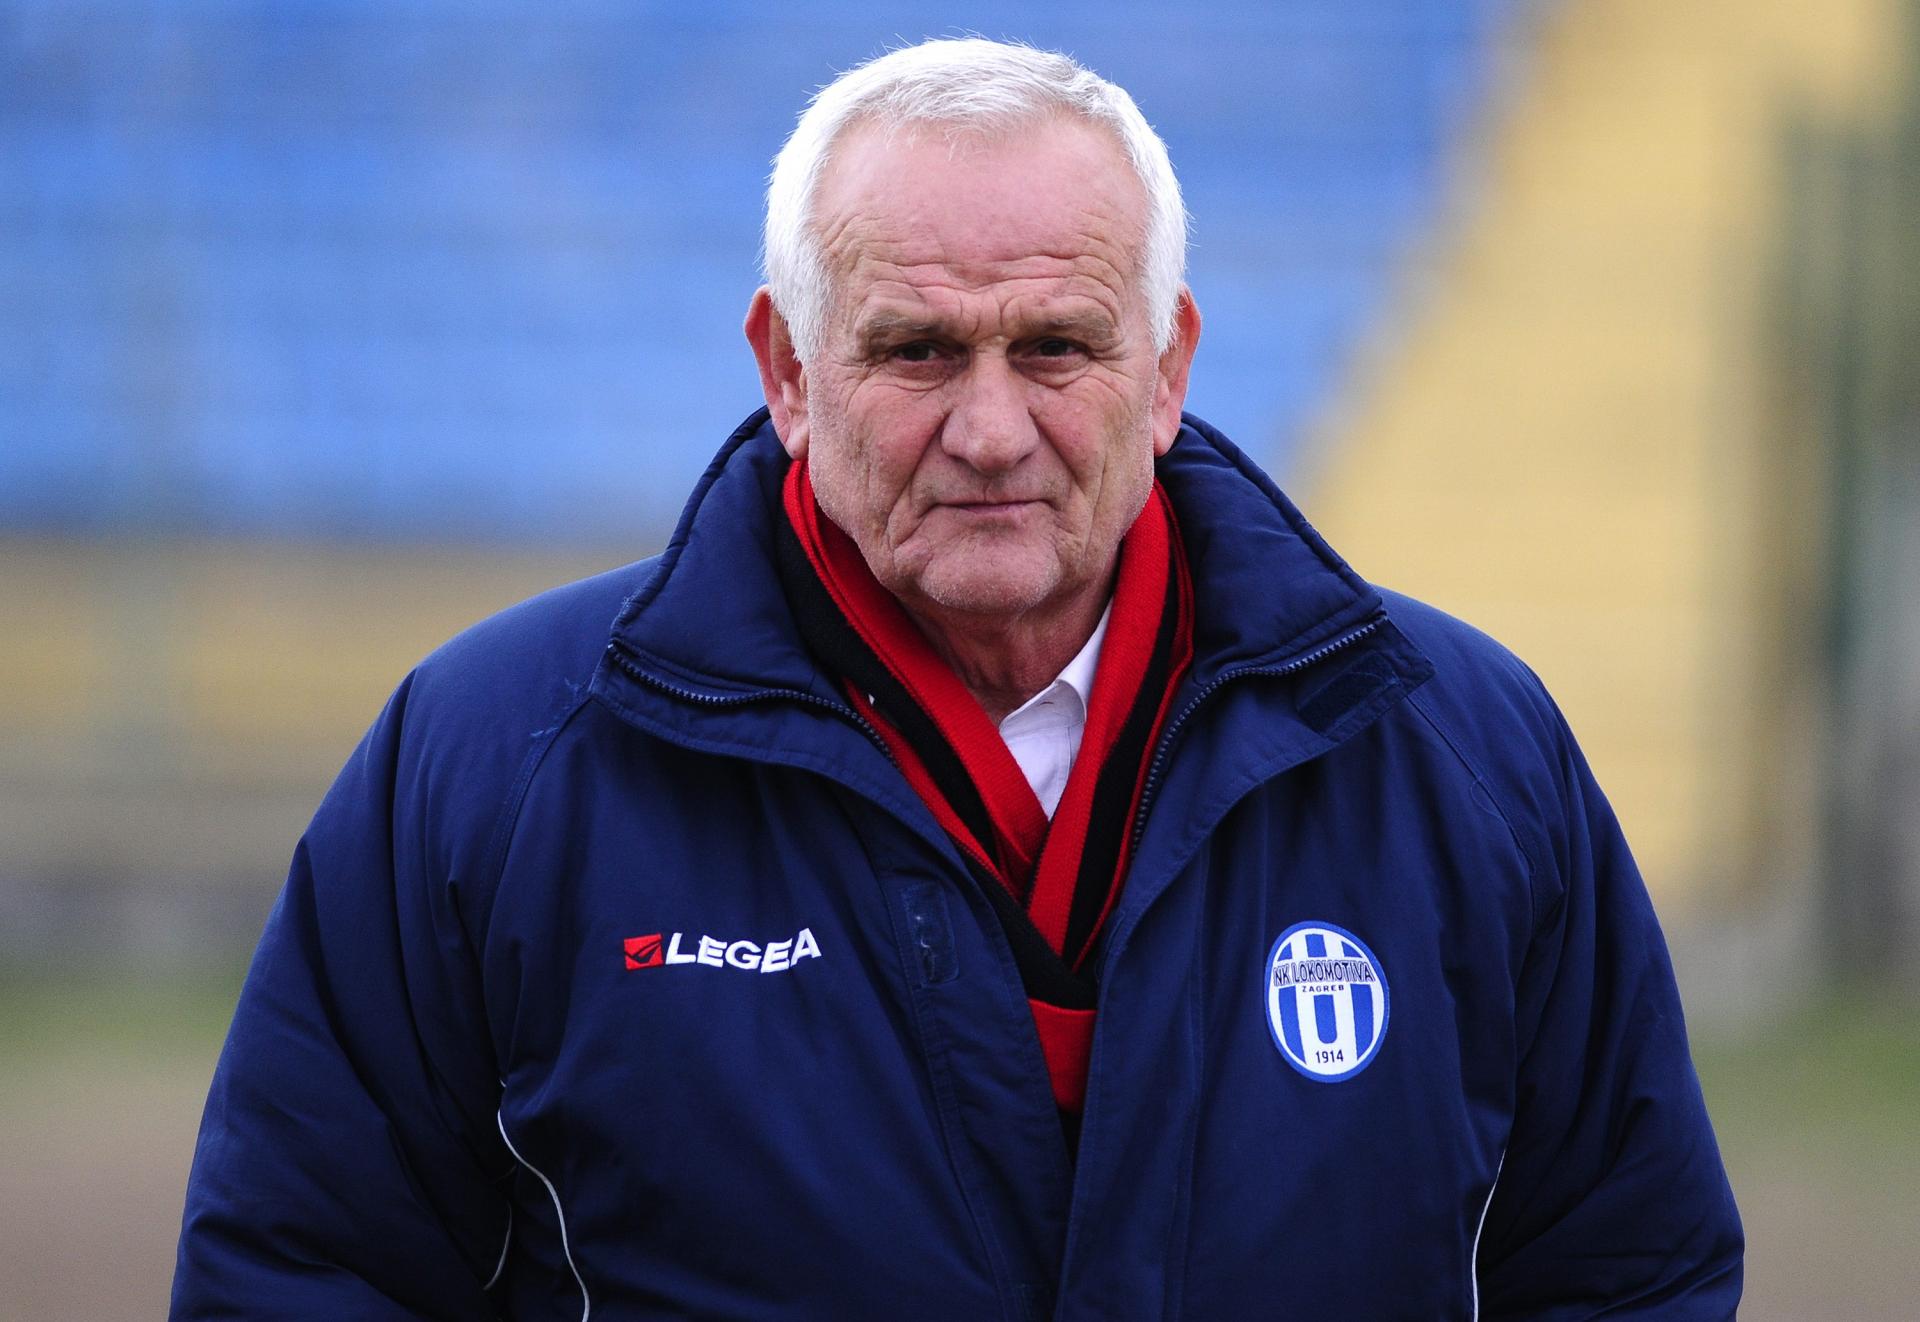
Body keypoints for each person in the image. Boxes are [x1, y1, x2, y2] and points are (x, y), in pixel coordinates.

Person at [171, 37, 1743, 1321]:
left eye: (1056, 346)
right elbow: (304, 1269)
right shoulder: (496, 764)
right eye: (917, 350)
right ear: (788, 370)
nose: (991, 430)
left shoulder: (1460, 753)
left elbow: (1629, 1270)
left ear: (1169, 367)